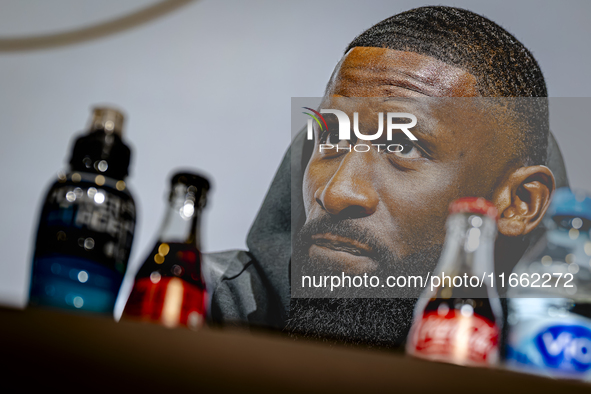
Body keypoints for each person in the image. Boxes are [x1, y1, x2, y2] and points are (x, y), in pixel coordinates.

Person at [203, 6, 569, 347]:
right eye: (331, 138)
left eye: (403, 147)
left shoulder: (557, 359)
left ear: (519, 203)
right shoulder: (199, 306)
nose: (337, 192)